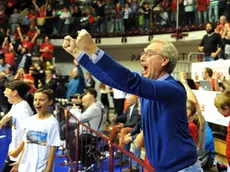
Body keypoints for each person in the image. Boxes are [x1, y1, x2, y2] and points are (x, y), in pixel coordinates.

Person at [62, 30, 202, 171]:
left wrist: (93, 49)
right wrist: (77, 53)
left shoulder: (173, 88)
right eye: (143, 53)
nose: (142, 57)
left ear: (164, 60)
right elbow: (109, 79)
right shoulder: (150, 90)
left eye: (149, 53)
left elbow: (130, 80)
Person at [9, 88, 60, 172]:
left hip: (40, 167)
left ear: (50, 102)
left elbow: (53, 147)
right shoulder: (29, 120)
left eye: (41, 100)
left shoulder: (52, 123)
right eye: (35, 99)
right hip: (25, 166)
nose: (37, 102)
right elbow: (27, 143)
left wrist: (48, 168)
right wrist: (19, 162)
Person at [0, 80, 33, 172]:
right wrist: (1, 122)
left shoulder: (23, 110)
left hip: (19, 154)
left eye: (6, 90)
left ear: (14, 92)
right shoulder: (16, 105)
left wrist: (19, 157)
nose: (4, 92)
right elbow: (9, 114)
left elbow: (29, 134)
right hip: (14, 151)